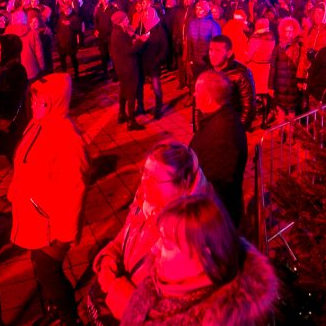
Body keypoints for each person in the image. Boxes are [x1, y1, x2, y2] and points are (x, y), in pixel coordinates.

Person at [92, 142, 211, 322]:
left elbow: (163, 316)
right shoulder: (146, 203)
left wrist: (115, 288)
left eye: (154, 179)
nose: (144, 184)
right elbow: (124, 237)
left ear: (183, 184)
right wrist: (109, 260)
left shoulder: (193, 239)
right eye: (144, 174)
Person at [120, 194, 278, 326]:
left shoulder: (218, 319)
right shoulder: (155, 284)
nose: (154, 249)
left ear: (203, 257)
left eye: (167, 244)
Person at [9, 73, 89, 325]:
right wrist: (15, 192)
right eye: (32, 101)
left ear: (55, 102)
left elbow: (75, 189)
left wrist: (66, 233)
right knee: (39, 267)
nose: (34, 107)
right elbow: (23, 162)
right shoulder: (37, 124)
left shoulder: (67, 138)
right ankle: (55, 306)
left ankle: (69, 318)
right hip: (35, 215)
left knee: (49, 271)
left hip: (53, 223)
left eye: (40, 102)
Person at [189, 70, 247, 227]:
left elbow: (217, 184)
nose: (194, 95)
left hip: (217, 218)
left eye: (196, 92)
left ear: (208, 99)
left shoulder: (222, 135)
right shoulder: (223, 116)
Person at [0, 34, 29, 158]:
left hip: (11, 124)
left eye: (0, 50)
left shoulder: (16, 70)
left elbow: (15, 98)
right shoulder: (3, 69)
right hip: (1, 122)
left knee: (16, 153)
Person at [110, 11, 149, 131]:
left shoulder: (117, 32)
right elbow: (129, 51)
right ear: (120, 21)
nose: (128, 20)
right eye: (126, 19)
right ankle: (131, 121)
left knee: (123, 90)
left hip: (121, 67)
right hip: (128, 67)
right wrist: (141, 40)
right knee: (131, 93)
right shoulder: (119, 34)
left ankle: (121, 114)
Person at [185, 1, 221, 107]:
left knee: (207, 82)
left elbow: (216, 44)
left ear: (206, 10)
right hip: (195, 59)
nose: (198, 11)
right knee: (195, 80)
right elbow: (190, 42)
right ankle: (194, 98)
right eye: (196, 9)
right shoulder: (192, 23)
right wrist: (190, 58)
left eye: (200, 9)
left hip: (207, 60)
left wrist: (213, 59)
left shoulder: (213, 25)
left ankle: (208, 101)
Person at [138, 4, 169, 120]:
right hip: (142, 62)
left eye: (147, 15)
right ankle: (140, 107)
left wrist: (157, 60)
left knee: (156, 86)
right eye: (144, 15)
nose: (145, 17)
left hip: (154, 63)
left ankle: (158, 108)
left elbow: (164, 48)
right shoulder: (142, 27)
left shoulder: (159, 30)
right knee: (139, 85)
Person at [270, 17, 303, 120]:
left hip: (293, 85)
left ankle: (290, 134)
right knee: (280, 112)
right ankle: (280, 134)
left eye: (291, 31)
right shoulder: (278, 48)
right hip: (280, 86)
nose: (289, 34)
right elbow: (273, 68)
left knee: (292, 113)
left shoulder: (299, 47)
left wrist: (300, 81)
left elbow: (301, 66)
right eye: (286, 31)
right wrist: (270, 86)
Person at [245, 18, 276, 129]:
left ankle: (250, 122)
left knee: (253, 94)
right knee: (265, 96)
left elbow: (248, 55)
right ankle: (264, 121)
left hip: (256, 68)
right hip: (266, 68)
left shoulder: (255, 38)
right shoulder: (272, 38)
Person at [6, 10, 46, 82]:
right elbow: (39, 53)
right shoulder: (33, 33)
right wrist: (41, 67)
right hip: (31, 69)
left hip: (14, 71)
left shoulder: (7, 34)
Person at [93, 0, 119, 79]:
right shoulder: (98, 9)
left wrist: (113, 32)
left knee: (114, 55)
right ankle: (105, 72)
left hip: (111, 36)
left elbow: (116, 22)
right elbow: (96, 21)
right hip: (102, 36)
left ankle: (116, 73)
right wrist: (96, 29)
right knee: (103, 55)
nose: (103, 0)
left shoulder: (113, 9)